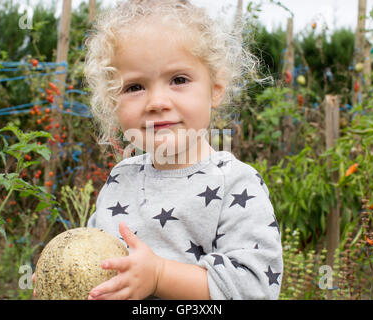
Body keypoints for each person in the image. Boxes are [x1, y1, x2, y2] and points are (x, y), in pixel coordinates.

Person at [34, 0, 283, 300]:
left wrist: (159, 276)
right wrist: (66, 274)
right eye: (134, 87)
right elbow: (97, 260)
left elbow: (254, 288)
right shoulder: (120, 179)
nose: (157, 102)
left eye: (179, 80)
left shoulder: (236, 184)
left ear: (216, 88)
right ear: (113, 102)